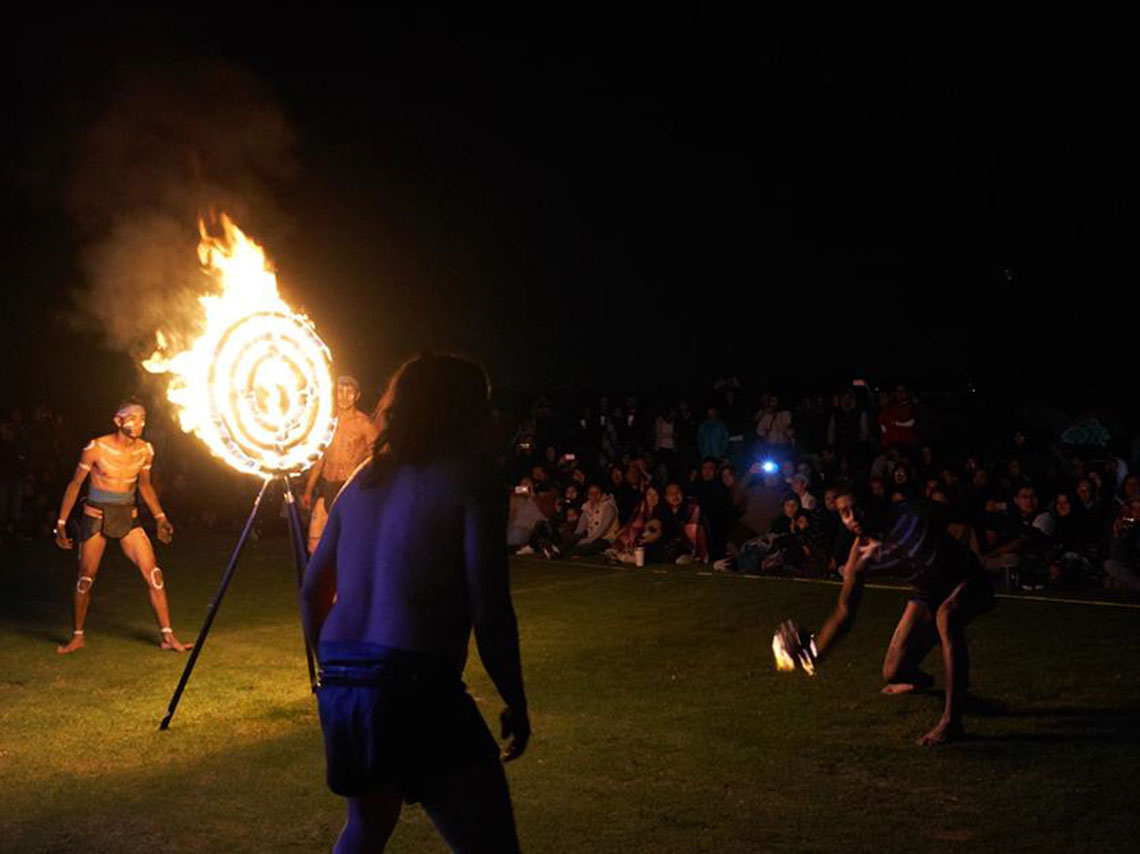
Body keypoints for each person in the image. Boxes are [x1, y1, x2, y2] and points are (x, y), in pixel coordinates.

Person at [301, 353, 529, 853]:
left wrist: (333, 677)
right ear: (462, 409)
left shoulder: (362, 480)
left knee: (366, 826)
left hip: (344, 683)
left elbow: (311, 591)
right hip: (415, 685)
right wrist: (515, 697)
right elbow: (489, 606)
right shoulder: (473, 480)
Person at [790, 486, 994, 746]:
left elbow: (965, 514)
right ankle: (918, 682)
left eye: (857, 508)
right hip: (928, 594)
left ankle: (951, 722)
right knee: (894, 672)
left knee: (948, 616)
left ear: (872, 504)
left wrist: (1018, 531)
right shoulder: (860, 558)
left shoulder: (910, 513)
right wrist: (812, 655)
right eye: (844, 513)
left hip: (968, 579)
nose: (853, 518)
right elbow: (844, 613)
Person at [53, 399, 191, 654]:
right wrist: (61, 523)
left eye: (142, 418)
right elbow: (75, 484)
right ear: (118, 421)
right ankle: (78, 636)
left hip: (128, 517)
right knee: (85, 578)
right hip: (96, 516)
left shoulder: (145, 450)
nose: (138, 422)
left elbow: (145, 486)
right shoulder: (96, 447)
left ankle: (168, 636)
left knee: (154, 574)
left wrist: (160, 517)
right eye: (132, 417)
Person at [303, 376, 379, 553]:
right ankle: (321, 579)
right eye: (340, 391)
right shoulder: (327, 423)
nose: (344, 396)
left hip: (350, 488)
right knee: (314, 543)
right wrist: (309, 487)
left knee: (348, 542)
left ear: (357, 396)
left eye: (349, 392)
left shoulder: (364, 424)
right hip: (327, 486)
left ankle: (348, 578)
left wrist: (368, 480)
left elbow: (379, 454)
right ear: (334, 394)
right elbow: (320, 457)